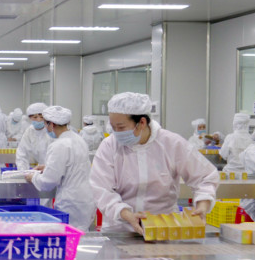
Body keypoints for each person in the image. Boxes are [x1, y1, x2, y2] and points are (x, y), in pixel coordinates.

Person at [89, 92, 219, 233]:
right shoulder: (109, 146)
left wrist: (202, 205)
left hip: (163, 229)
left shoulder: (171, 144)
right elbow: (100, 188)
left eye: (121, 128)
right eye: (113, 127)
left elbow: (205, 176)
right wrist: (125, 213)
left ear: (142, 123)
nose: (116, 133)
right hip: (120, 229)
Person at [26, 106, 96, 231]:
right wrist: (48, 167)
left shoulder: (58, 145)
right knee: (82, 236)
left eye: (46, 124)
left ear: (51, 124)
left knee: (70, 236)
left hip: (71, 203)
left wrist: (33, 177)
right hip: (86, 199)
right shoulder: (78, 139)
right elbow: (73, 165)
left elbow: (48, 182)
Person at [15, 102, 50, 170]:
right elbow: (22, 153)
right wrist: (23, 171)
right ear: (30, 118)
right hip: (42, 168)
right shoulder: (29, 132)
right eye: (35, 117)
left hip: (53, 167)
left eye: (41, 117)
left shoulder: (51, 131)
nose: (39, 120)